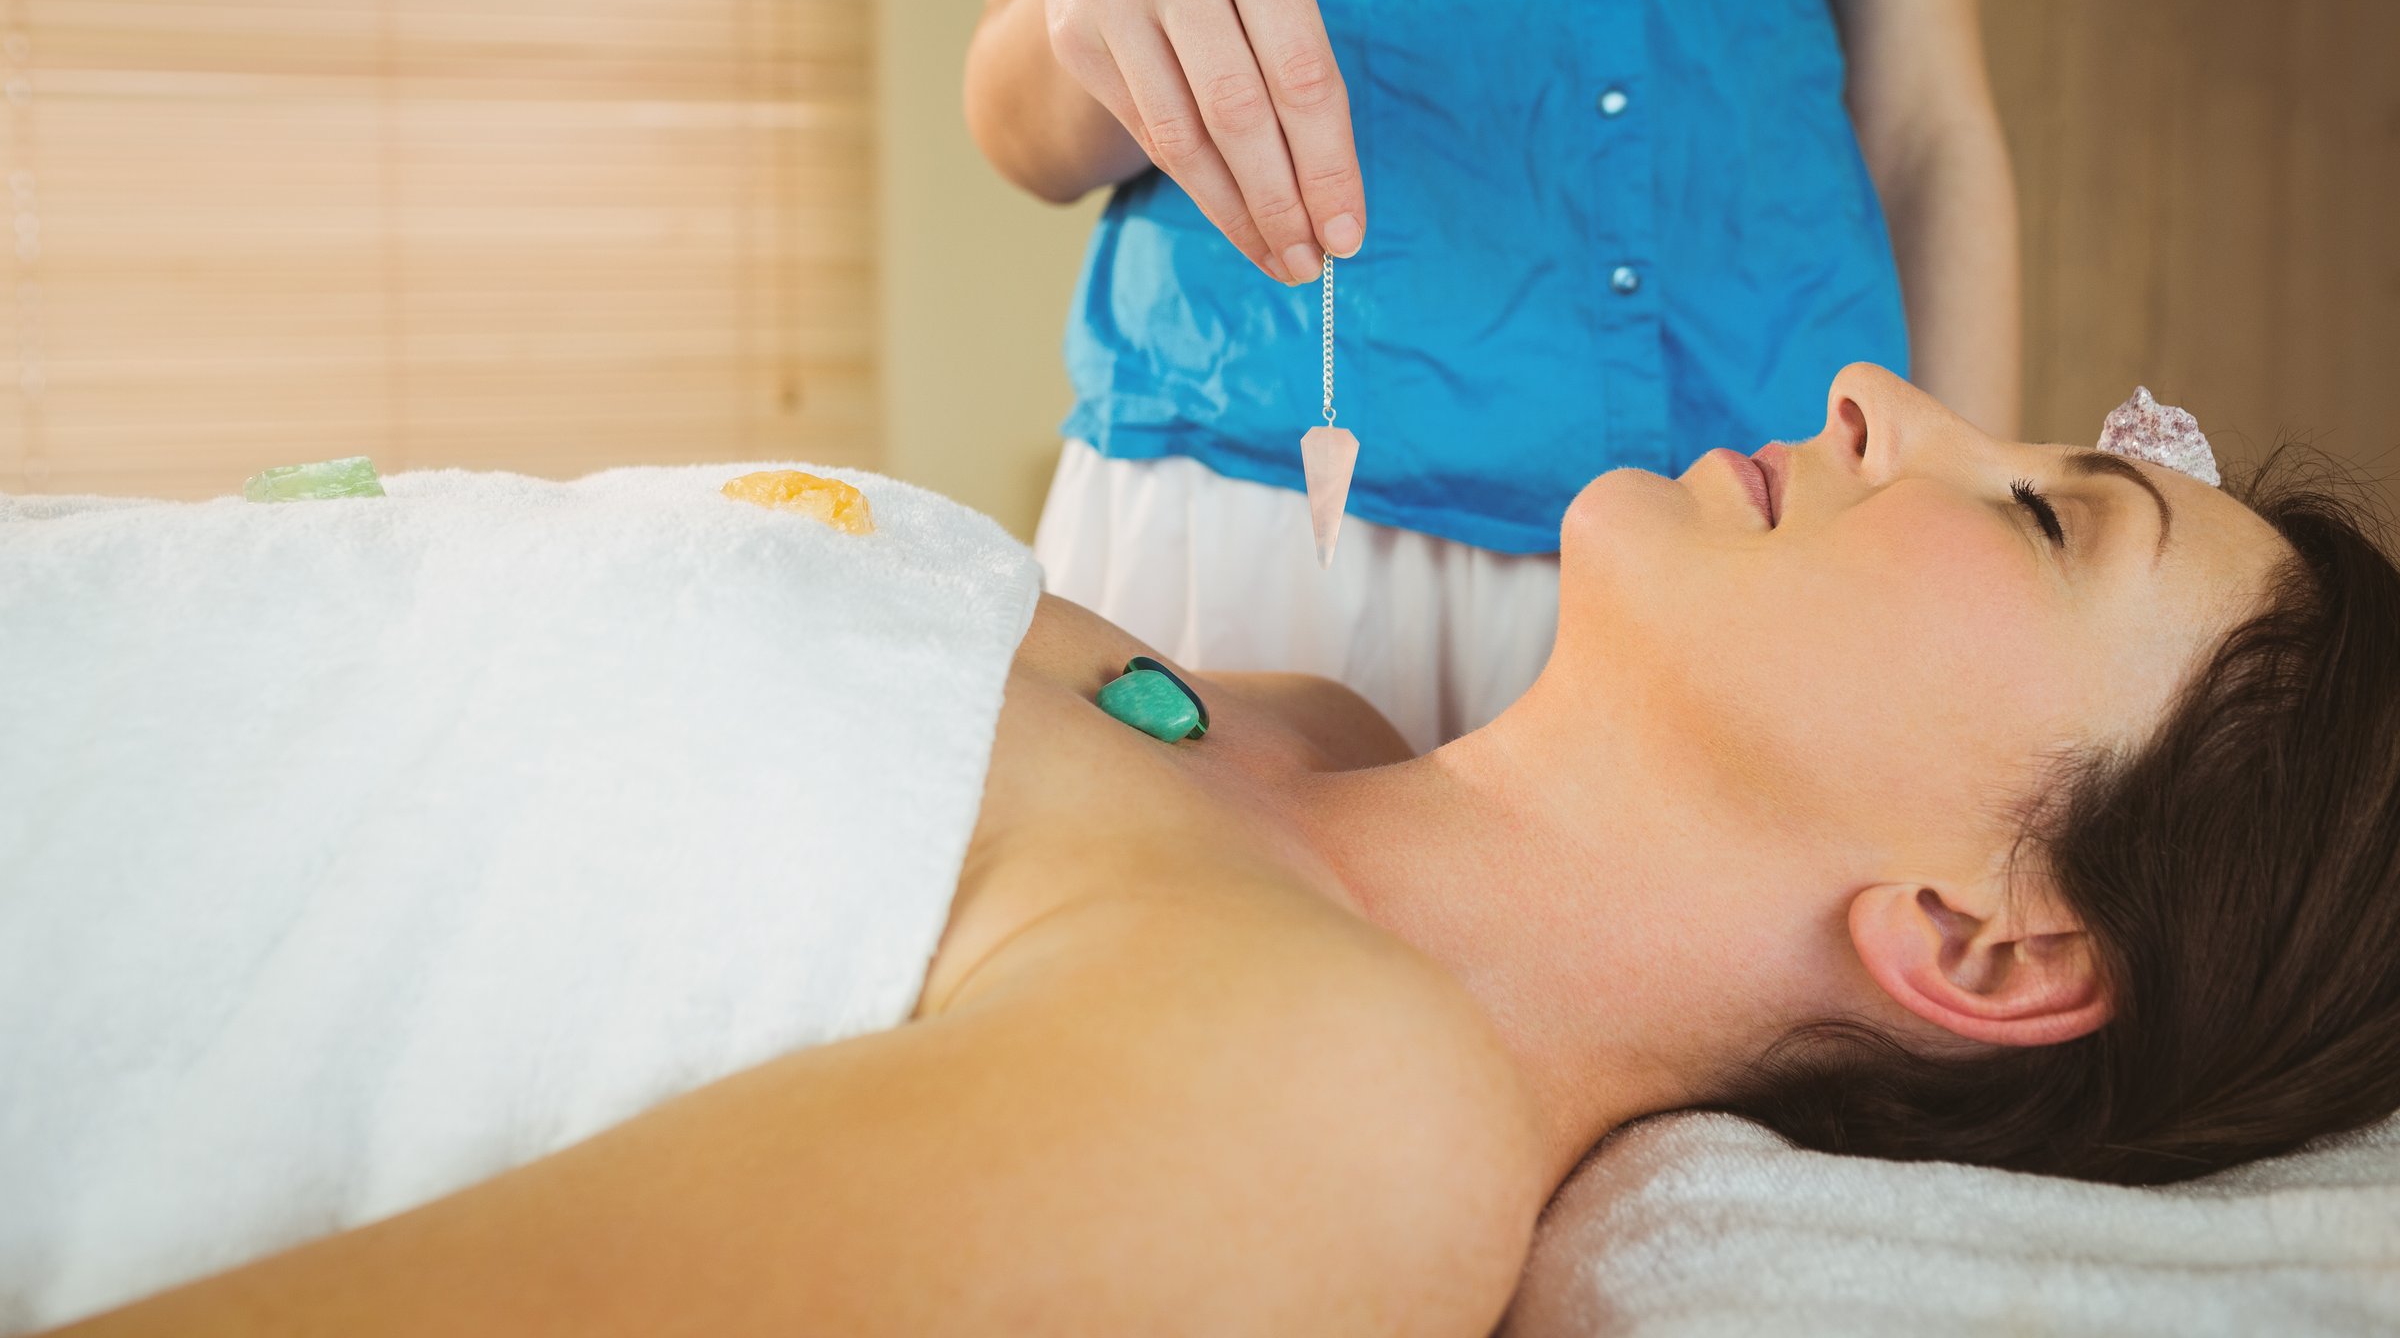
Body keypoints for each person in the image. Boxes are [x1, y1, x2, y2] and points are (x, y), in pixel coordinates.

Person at [59, 364, 2400, 1335]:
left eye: (2033, 510)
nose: (1889, 392)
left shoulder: (1323, 1108)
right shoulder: (1295, 729)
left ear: (1980, 945)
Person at [969, 0, 2022, 750]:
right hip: (1257, 527)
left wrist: (1981, 572)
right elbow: (1020, 127)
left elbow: (1928, 121)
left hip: (1782, 537)